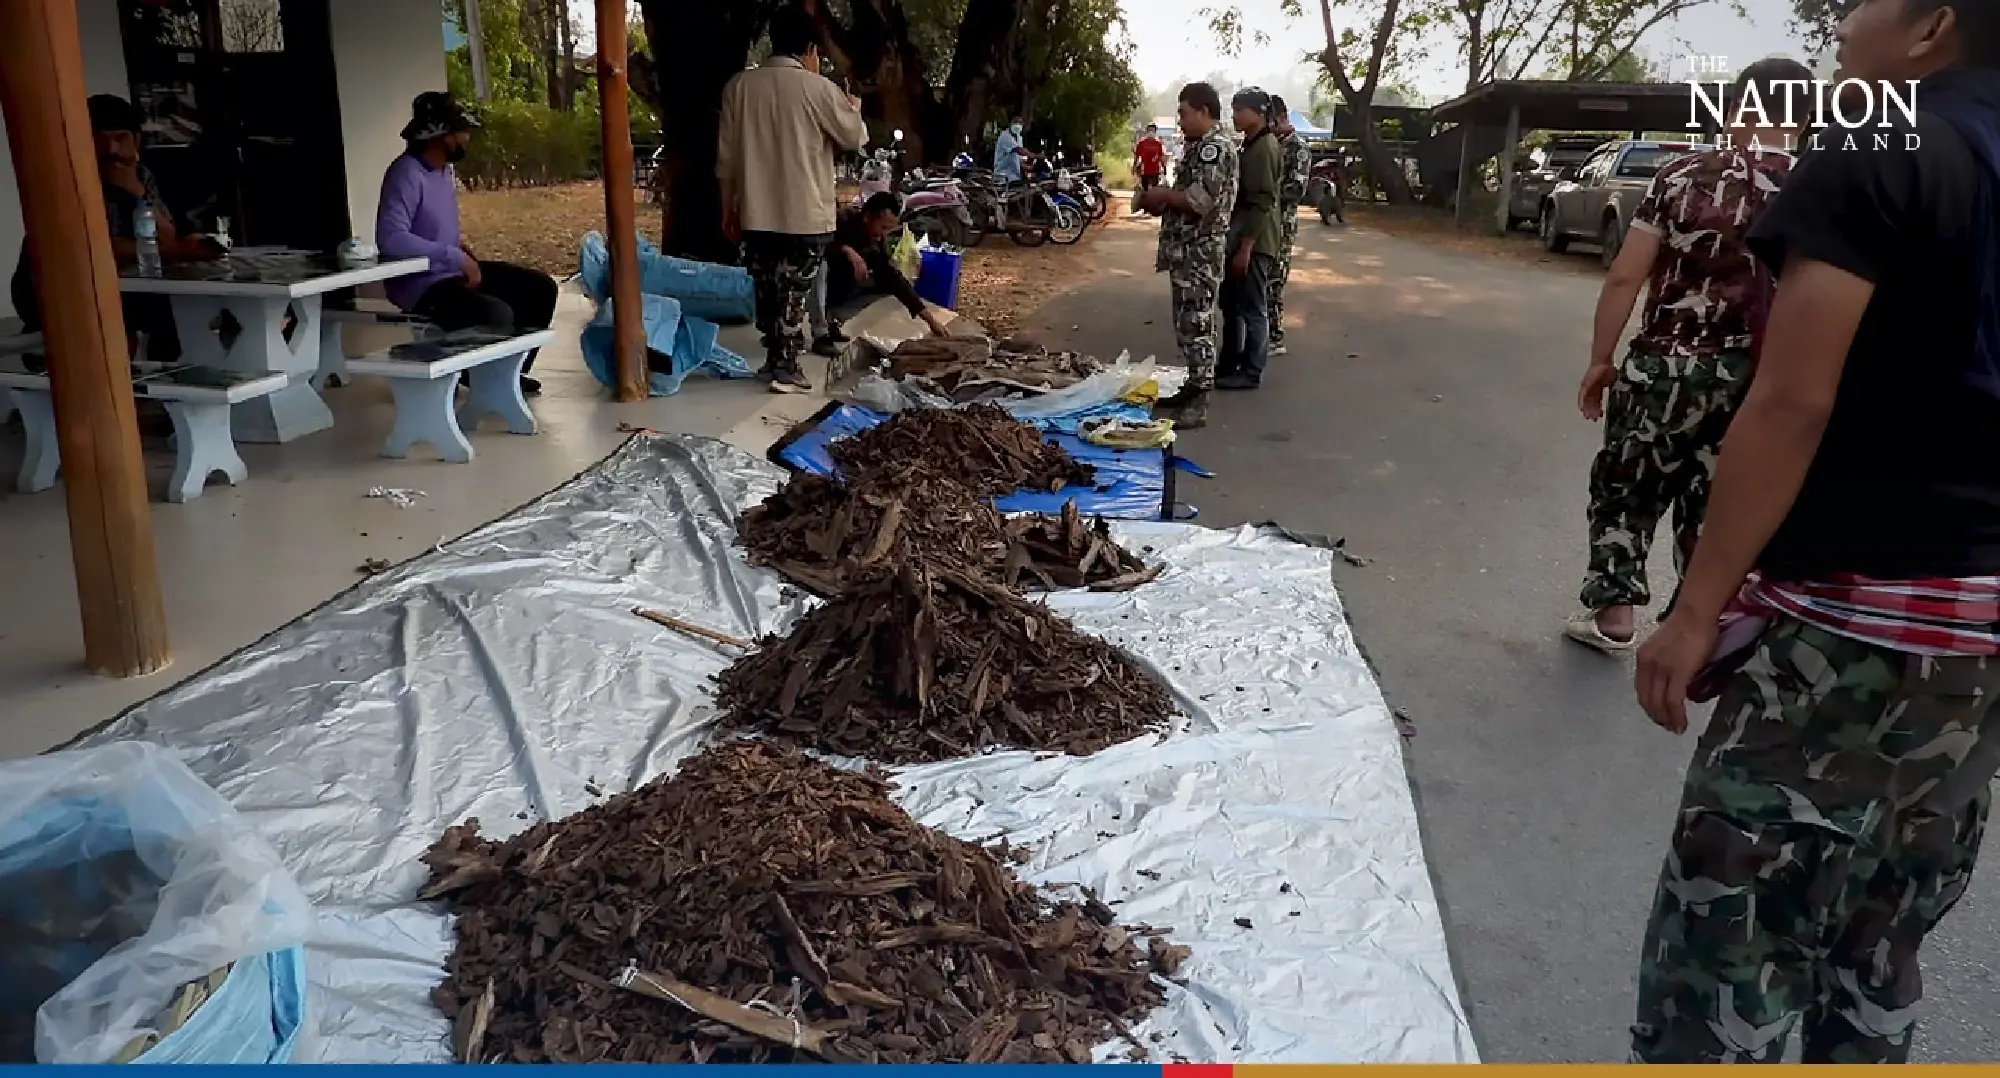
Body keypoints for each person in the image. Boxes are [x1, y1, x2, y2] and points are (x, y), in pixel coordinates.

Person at [1627, 4, 2000, 1061]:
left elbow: (1792, 401)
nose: (1841, 21)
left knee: (1726, 944)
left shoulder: (1878, 141)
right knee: (1882, 926)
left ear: (1931, 23)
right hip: (1978, 650)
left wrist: (1693, 608)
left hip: (1849, 630)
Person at [1564, 57, 1811, 653]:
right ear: (1804, 120)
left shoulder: (1678, 177)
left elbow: (1626, 276)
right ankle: (1695, 627)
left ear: (1734, 110)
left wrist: (1602, 358)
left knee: (1627, 484)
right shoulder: (1818, 185)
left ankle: (1615, 612)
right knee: (1718, 500)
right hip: (1759, 378)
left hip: (1662, 368)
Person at [718, 3, 867, 393]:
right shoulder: (818, 89)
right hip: (806, 211)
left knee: (767, 287)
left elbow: (726, 159)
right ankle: (785, 366)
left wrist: (727, 207)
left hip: (755, 209)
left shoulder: (739, 86)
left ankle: (774, 359)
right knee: (794, 290)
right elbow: (853, 137)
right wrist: (852, 105)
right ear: (811, 47)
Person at [9, 94, 222, 364]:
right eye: (99, 139)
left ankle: (170, 394)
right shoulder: (66, 178)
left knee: (182, 313)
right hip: (51, 289)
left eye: (120, 138)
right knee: (115, 325)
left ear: (136, 141)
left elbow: (165, 238)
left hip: (119, 285)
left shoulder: (139, 175)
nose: (110, 148)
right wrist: (163, 249)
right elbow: (86, 246)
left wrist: (135, 192)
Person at [377, 92, 557, 396]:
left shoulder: (443, 172)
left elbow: (427, 225)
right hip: (420, 286)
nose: (466, 139)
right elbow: (391, 237)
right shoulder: (405, 173)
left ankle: (509, 375)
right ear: (442, 136)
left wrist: (457, 245)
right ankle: (480, 379)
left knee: (540, 289)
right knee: (494, 313)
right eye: (461, 133)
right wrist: (453, 256)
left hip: (449, 270)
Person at [1131, 83, 1237, 430]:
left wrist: (1162, 194)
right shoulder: (1200, 147)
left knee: (1198, 324)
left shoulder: (1215, 149)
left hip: (1200, 252)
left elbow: (1198, 200)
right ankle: (1192, 387)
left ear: (1204, 111)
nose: (1180, 120)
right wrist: (1160, 201)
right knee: (1187, 324)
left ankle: (1199, 401)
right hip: (1188, 250)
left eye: (1184, 113)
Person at [813, 193, 952, 341]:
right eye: (883, 227)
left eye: (889, 229)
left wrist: (930, 320)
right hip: (818, 281)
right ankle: (821, 328)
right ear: (867, 217)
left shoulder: (876, 242)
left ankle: (834, 319)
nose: (884, 234)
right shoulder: (841, 219)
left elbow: (893, 278)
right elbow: (817, 245)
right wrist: (846, 250)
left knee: (885, 283)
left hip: (845, 285)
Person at [1216, 87, 1282, 391]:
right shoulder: (1251, 145)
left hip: (1256, 240)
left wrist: (1245, 247)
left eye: (1239, 110)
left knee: (1253, 308)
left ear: (1257, 112)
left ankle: (1251, 370)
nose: (1235, 116)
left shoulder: (1265, 147)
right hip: (1244, 236)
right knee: (1233, 305)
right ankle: (1230, 361)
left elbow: (1262, 200)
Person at [1266, 97, 1313, 357]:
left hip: (1281, 224)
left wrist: (1264, 193)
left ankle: (1275, 336)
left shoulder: (1298, 148)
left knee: (1274, 280)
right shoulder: (1271, 144)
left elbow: (1296, 189)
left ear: (1282, 117)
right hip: (1264, 222)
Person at [1133, 123, 1167, 208]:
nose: (1151, 132)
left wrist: (1164, 167)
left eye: (1153, 130)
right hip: (1144, 170)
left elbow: (1161, 156)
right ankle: (1145, 206)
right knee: (1145, 190)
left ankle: (1152, 206)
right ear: (1147, 131)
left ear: (1155, 132)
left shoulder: (1158, 144)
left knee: (1154, 190)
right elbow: (1137, 156)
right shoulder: (1141, 143)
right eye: (1149, 130)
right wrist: (1134, 167)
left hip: (1155, 170)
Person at [994, 117, 1030, 185]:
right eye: (1016, 122)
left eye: (1020, 123)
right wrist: (1036, 155)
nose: (1018, 125)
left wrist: (1027, 168)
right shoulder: (1005, 136)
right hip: (1003, 175)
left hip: (1015, 176)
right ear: (1011, 124)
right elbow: (1019, 150)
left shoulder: (1019, 138)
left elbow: (1019, 159)